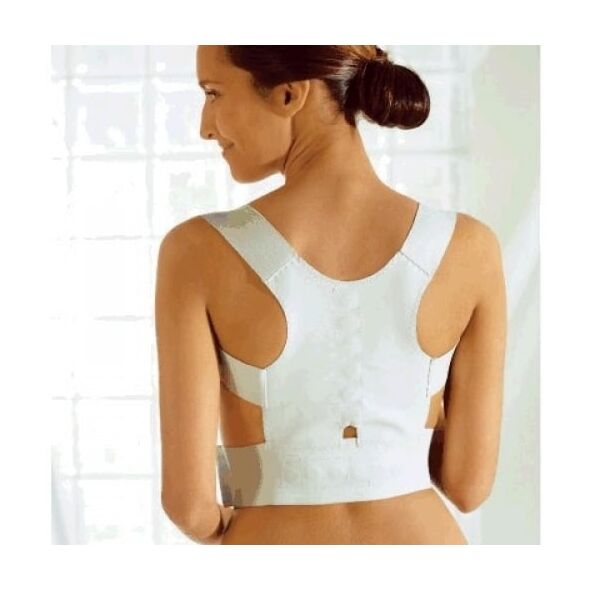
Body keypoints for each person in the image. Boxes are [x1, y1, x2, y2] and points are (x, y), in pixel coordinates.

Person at [155, 45, 507, 544]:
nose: (205, 127)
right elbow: (468, 486)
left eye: (213, 94)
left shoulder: (196, 252)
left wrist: (264, 498)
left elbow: (190, 507)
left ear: (288, 95)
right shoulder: (471, 247)